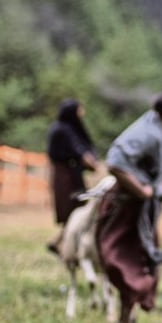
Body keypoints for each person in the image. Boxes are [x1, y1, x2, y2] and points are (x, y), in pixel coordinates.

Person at [96, 86, 162, 323]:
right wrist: (140, 190)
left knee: (147, 261)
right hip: (126, 206)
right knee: (128, 261)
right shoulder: (148, 132)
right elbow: (115, 161)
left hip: (145, 211)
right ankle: (124, 322)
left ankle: (128, 316)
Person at [46, 99, 100, 254]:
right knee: (73, 208)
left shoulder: (65, 128)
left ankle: (59, 242)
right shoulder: (63, 130)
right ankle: (59, 243)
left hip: (69, 174)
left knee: (76, 208)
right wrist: (95, 165)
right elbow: (79, 152)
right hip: (66, 176)